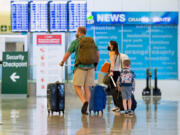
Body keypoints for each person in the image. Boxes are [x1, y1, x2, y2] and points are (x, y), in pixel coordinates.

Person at [60, 26, 99, 115]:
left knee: (77, 86)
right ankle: (86, 109)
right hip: (91, 67)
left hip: (80, 67)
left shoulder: (76, 42)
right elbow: (97, 56)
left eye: (77, 31)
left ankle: (84, 101)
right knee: (87, 87)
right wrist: (95, 65)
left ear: (79, 32)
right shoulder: (92, 42)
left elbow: (68, 54)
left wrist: (62, 62)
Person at [108, 40, 128, 112]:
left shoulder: (111, 53)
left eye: (109, 45)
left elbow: (112, 64)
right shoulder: (119, 54)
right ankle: (120, 105)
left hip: (114, 73)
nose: (108, 46)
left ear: (112, 46)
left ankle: (117, 106)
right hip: (119, 72)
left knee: (114, 90)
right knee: (118, 89)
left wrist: (111, 72)